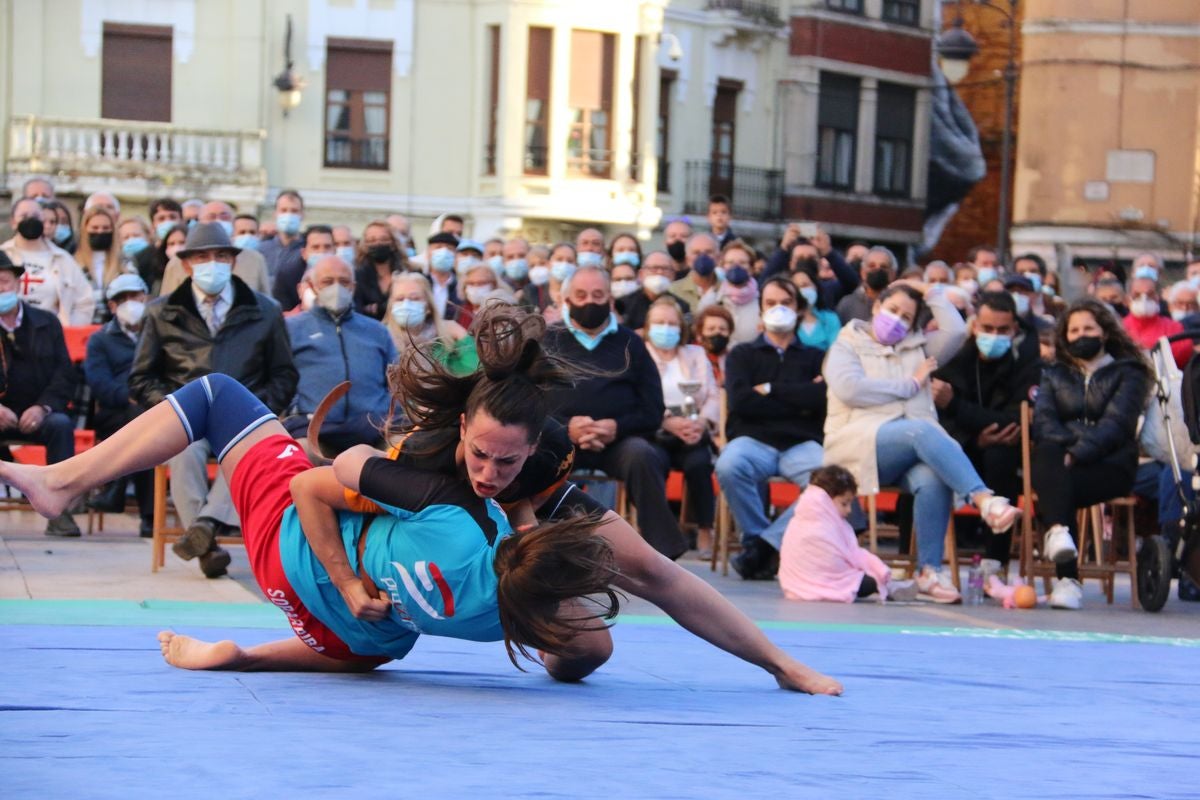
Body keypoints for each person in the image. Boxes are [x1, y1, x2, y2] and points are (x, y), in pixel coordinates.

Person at [0, 314, 842, 695]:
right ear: (462, 428)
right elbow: (315, 486)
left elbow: (665, 578)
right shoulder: (435, 469)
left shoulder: (539, 470)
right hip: (325, 563)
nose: (488, 469)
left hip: (335, 596)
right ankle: (63, 482)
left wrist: (783, 664)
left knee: (616, 597)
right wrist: (351, 576)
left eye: (505, 462)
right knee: (225, 399)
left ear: (538, 449)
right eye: (479, 451)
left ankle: (255, 647)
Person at [822, 282, 1022, 603]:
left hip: (909, 449)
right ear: (876, 307)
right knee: (924, 431)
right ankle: (985, 500)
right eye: (892, 310)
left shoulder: (919, 349)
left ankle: (929, 571)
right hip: (858, 443)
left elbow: (956, 331)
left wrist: (930, 290)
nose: (897, 320)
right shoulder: (846, 345)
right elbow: (850, 389)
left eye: (906, 316)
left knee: (932, 477)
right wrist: (909, 385)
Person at [130, 223, 298, 578]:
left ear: (233, 262)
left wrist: (256, 409)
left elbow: (284, 376)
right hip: (186, 420)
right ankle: (205, 539)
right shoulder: (162, 312)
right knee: (182, 450)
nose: (213, 263)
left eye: (221, 255)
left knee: (248, 451)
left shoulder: (266, 311)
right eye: (203, 256)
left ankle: (204, 526)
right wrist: (171, 408)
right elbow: (142, 377)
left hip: (243, 419)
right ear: (188, 264)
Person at [545, 266, 688, 559]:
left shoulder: (631, 343)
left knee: (642, 456)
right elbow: (527, 403)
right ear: (567, 299)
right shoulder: (546, 341)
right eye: (581, 295)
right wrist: (565, 428)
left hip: (619, 442)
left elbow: (653, 409)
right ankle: (541, 548)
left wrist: (616, 427)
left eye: (598, 295)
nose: (589, 302)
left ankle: (662, 555)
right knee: (535, 457)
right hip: (559, 439)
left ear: (610, 299)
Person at [1031, 298, 1152, 610]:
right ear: (1064, 336)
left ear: (1105, 332)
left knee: (1054, 481)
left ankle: (1066, 579)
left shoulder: (1130, 372)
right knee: (1050, 459)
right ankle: (1060, 542)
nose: (1080, 335)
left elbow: (1117, 424)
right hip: (1063, 464)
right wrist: (1074, 447)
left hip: (1112, 466)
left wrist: (1076, 451)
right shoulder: (1054, 373)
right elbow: (1044, 422)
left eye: (1088, 328)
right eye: (1074, 330)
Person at [717, 277, 827, 580]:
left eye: (786, 302)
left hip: (802, 443)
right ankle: (758, 540)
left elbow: (820, 401)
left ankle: (764, 548)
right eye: (770, 303)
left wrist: (768, 389)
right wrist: (798, 396)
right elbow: (741, 402)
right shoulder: (741, 354)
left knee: (827, 481)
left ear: (799, 308)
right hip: (752, 439)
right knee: (728, 465)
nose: (778, 308)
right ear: (761, 309)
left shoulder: (817, 357)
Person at [931, 291, 1043, 570]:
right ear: (975, 326)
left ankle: (996, 556)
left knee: (1000, 453)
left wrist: (957, 406)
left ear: (1014, 329)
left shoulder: (1027, 361)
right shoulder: (956, 356)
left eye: (1002, 329)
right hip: (960, 445)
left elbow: (1015, 420)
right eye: (988, 328)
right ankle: (922, 560)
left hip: (1005, 452)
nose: (994, 335)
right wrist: (974, 437)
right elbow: (936, 413)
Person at [0, 251, 80, 535]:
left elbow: (64, 374)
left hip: (40, 412)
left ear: (18, 284)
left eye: (4, 282)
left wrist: (42, 407)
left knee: (60, 425)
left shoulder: (47, 322)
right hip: (1, 413)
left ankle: (59, 512)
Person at [642, 297, 719, 557]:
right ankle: (659, 533)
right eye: (659, 323)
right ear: (649, 326)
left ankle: (705, 529)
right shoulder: (640, 354)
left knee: (699, 463)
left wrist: (702, 422)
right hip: (657, 429)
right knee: (650, 462)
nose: (666, 328)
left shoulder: (695, 354)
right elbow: (638, 397)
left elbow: (712, 394)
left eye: (671, 323)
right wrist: (666, 421)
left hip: (692, 429)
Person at [82, 273, 155, 536]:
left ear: (144, 298)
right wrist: (129, 396)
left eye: (134, 296)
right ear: (111, 306)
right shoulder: (101, 339)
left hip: (155, 406)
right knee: (146, 432)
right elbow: (98, 382)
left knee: (146, 427)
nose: (129, 303)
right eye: (121, 299)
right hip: (115, 411)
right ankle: (149, 516)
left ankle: (116, 488)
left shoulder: (158, 332)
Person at [778, 465, 898, 603]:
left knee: (868, 579)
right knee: (870, 582)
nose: (849, 510)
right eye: (844, 504)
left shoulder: (799, 518)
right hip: (830, 581)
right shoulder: (821, 523)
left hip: (793, 585)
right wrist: (878, 570)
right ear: (826, 499)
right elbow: (850, 556)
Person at [1, 197, 93, 326]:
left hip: (50, 336)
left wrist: (68, 330)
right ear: (13, 222)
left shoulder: (63, 259)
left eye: (35, 215)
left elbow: (84, 302)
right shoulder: (3, 255)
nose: (30, 219)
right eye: (24, 215)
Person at [159, 203, 271, 296]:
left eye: (224, 217)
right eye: (211, 217)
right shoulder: (178, 262)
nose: (218, 221)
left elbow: (266, 300)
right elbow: (167, 302)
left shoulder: (254, 259)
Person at [384, 272, 476, 375]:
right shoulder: (381, 339)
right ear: (391, 305)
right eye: (400, 299)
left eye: (415, 298)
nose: (406, 304)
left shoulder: (444, 339)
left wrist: (461, 335)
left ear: (428, 306)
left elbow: (473, 371)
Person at [1123, 275, 1192, 368]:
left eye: (1150, 294)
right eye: (1137, 295)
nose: (1144, 299)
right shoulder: (1119, 326)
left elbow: (1185, 350)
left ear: (1158, 297)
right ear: (1127, 299)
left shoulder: (1174, 327)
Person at [353, 220, 407, 321]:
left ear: (393, 243)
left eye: (384, 239)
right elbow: (356, 311)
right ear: (365, 245)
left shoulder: (408, 273)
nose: (378, 244)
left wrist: (378, 308)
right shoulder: (357, 276)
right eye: (372, 240)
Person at [623, 250, 689, 331]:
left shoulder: (682, 307)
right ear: (641, 274)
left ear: (673, 275)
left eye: (665, 269)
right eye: (654, 268)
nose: (659, 272)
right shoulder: (625, 305)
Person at [835, 246, 896, 324]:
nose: (877, 269)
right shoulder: (847, 304)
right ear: (863, 272)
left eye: (883, 267)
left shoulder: (898, 306)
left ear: (892, 274)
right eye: (872, 266)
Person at [715, 241, 759, 344]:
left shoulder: (762, 302)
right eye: (730, 263)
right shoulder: (714, 299)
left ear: (751, 269)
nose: (736, 267)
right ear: (723, 267)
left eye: (742, 263)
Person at [670, 234, 721, 312]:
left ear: (718, 258)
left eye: (708, 252)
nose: (703, 257)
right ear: (687, 259)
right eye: (696, 253)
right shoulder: (673, 291)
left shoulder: (728, 291)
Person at [693, 304, 735, 386]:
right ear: (700, 334)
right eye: (711, 329)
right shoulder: (692, 358)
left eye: (722, 329)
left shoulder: (734, 360)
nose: (717, 333)